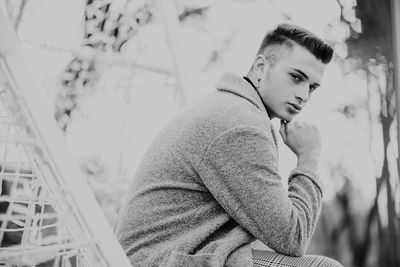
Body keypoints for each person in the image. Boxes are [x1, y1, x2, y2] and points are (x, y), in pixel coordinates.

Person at [115, 23, 343, 267]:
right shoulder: (240, 126)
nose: (304, 95)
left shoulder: (229, 107)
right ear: (260, 68)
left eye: (312, 87)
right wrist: (309, 157)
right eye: (296, 77)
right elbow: (292, 238)